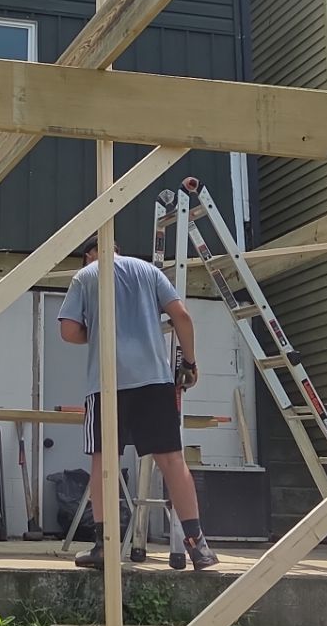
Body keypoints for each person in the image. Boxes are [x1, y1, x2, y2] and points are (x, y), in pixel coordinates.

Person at [57, 237, 217, 570]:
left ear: (89, 254)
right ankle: (198, 545)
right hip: (154, 381)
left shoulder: (85, 276)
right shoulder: (148, 271)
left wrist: (99, 331)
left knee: (104, 461)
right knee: (172, 460)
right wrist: (188, 363)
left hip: (107, 383)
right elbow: (182, 317)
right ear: (118, 247)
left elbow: (68, 332)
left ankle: (105, 547)